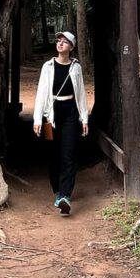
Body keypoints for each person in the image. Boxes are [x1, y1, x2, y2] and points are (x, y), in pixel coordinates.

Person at [33, 30, 89, 215]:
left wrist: (84, 118)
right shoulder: (47, 67)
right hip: (52, 115)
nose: (60, 43)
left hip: (71, 112)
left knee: (69, 154)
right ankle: (57, 189)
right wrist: (37, 118)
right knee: (54, 154)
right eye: (59, 40)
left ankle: (65, 196)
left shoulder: (76, 68)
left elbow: (81, 93)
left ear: (71, 47)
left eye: (65, 42)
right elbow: (41, 93)